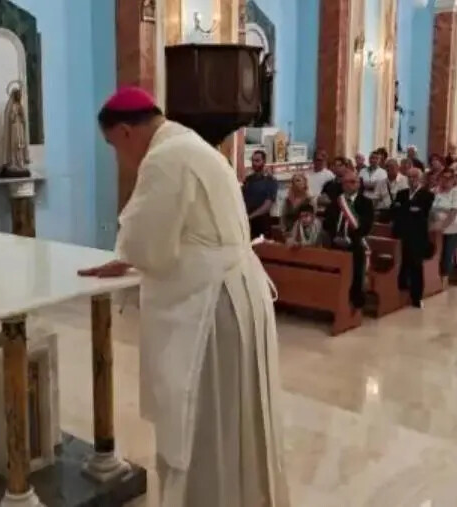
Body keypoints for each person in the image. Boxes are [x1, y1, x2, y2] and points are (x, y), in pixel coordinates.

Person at [80, 87, 288, 507]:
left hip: (212, 309)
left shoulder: (164, 159)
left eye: (112, 147)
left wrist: (130, 255)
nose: (120, 159)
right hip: (240, 293)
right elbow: (189, 235)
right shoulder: (196, 146)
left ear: (124, 132)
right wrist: (131, 259)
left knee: (205, 424)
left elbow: (147, 245)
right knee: (235, 420)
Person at [322, 170, 374, 309]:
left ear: (358, 184)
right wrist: (335, 236)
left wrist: (349, 239)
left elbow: (366, 227)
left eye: (353, 182)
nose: (350, 185)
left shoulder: (366, 203)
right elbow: (327, 223)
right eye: (346, 182)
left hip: (355, 244)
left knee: (356, 269)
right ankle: (332, 301)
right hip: (335, 243)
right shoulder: (336, 202)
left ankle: (354, 303)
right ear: (342, 185)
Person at [392, 168, 434, 307]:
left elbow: (423, 213)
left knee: (416, 265)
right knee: (403, 263)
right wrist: (409, 210)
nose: (411, 179)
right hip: (401, 233)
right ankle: (402, 289)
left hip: (418, 236)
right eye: (409, 177)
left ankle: (417, 296)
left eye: (415, 177)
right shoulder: (401, 193)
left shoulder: (427, 195)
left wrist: (406, 210)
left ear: (420, 178)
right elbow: (396, 211)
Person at [431, 167, 457, 280]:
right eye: (444, 177)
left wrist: (442, 226)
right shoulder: (434, 191)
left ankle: (445, 276)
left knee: (447, 254)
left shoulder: (456, 193)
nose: (446, 180)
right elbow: (429, 209)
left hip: (450, 228)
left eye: (449, 178)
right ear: (440, 178)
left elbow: (453, 212)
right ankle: (434, 277)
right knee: (434, 252)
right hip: (434, 227)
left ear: (453, 179)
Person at [241, 150, 278, 239]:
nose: (254, 163)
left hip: (262, 222)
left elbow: (267, 205)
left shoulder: (270, 181)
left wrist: (250, 216)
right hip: (248, 222)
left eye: (257, 161)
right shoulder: (248, 180)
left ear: (264, 162)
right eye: (253, 160)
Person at [376, 157, 408, 222]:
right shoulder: (381, 183)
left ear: (397, 167)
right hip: (384, 213)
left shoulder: (405, 180)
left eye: (392, 166)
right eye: (387, 167)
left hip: (400, 214)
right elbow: (376, 198)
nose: (389, 169)